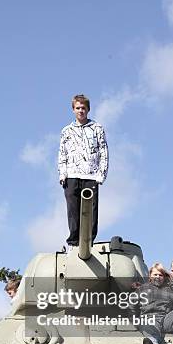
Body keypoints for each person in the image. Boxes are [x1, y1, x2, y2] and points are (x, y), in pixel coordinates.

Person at [58, 94, 108, 250]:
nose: (81, 111)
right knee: (73, 209)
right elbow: (62, 153)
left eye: (83, 108)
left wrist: (101, 174)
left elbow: (104, 151)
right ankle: (73, 242)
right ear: (73, 110)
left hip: (91, 175)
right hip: (71, 175)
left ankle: (88, 241)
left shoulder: (97, 128)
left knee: (90, 210)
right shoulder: (66, 131)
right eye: (78, 108)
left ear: (88, 110)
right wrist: (62, 173)